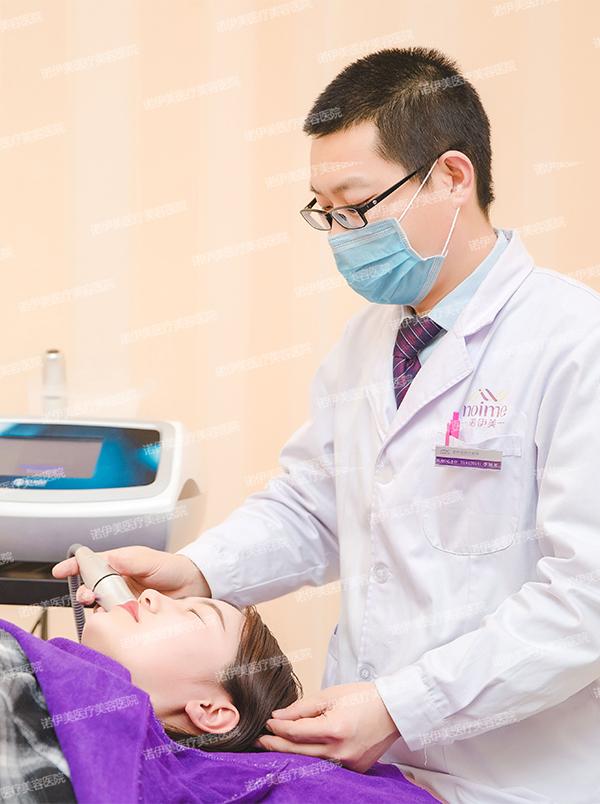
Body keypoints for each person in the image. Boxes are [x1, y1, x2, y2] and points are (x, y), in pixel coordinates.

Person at [55, 46, 600, 803]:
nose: (343, 233)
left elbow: (587, 599)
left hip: (517, 777)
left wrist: (402, 706)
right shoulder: (369, 342)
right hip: (365, 771)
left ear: (452, 176)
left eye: (357, 205)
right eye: (326, 211)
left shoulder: (575, 344)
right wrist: (201, 572)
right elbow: (315, 506)